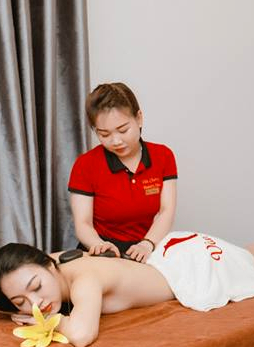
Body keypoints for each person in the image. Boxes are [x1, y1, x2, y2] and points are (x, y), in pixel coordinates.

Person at [0, 232, 254, 347]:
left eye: (36, 287)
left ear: (49, 266)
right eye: (21, 300)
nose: (36, 303)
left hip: (189, 268)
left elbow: (81, 335)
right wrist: (14, 304)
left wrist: (43, 319)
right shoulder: (57, 262)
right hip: (170, 256)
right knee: (251, 253)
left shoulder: (85, 279)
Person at [68, 82, 178, 263]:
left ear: (139, 118)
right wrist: (100, 246)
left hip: (146, 249)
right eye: (104, 134)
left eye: (123, 130)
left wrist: (147, 244)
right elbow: (83, 223)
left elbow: (166, 211)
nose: (116, 141)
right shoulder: (85, 165)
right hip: (101, 250)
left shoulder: (163, 156)